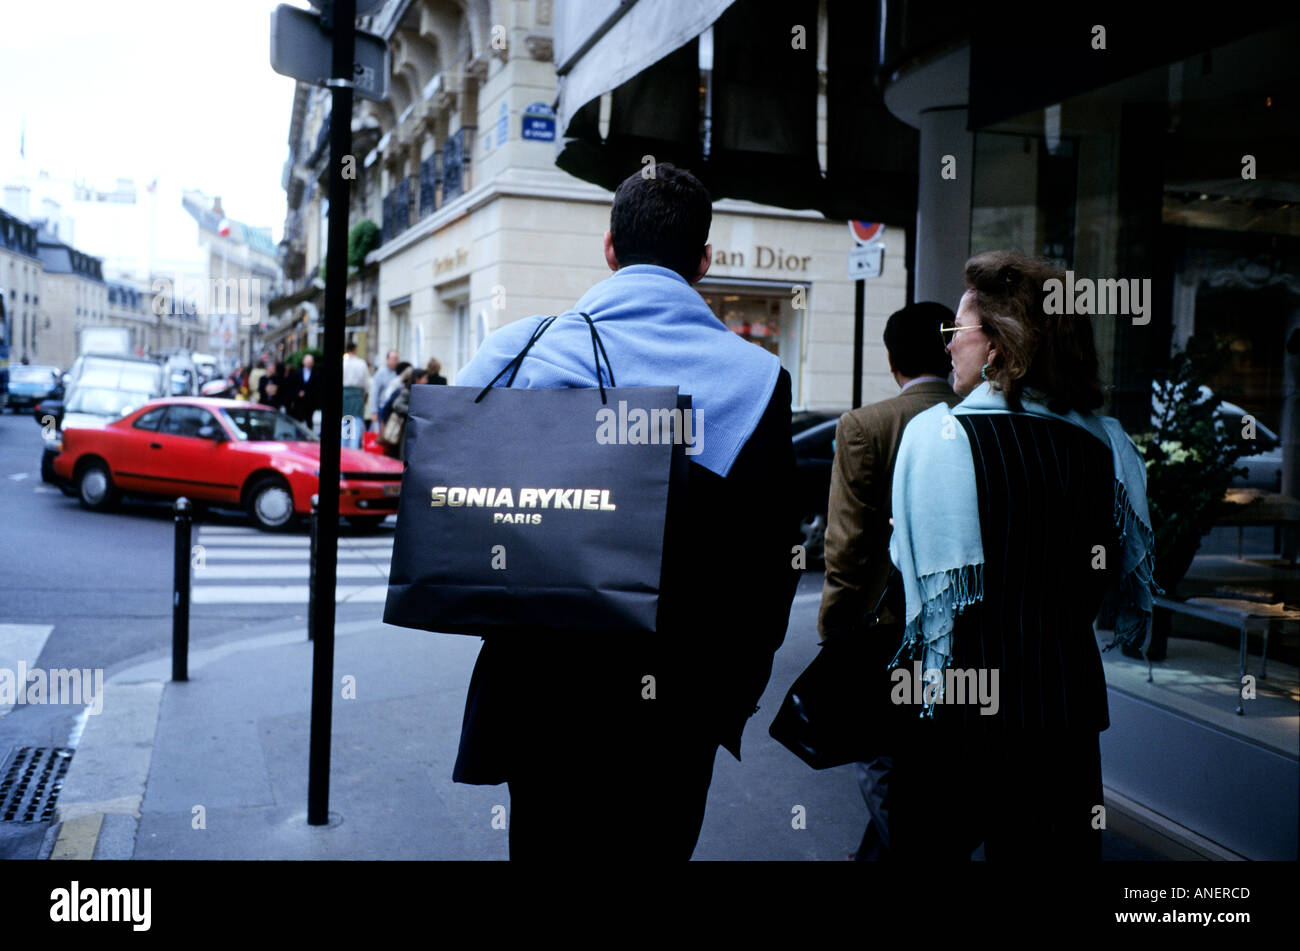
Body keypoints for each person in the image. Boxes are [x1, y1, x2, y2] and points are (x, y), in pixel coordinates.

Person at [451, 163, 801, 860]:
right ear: (703, 262)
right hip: (677, 700)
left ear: (610, 249)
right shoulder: (757, 379)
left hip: (539, 686)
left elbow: (452, 497)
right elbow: (770, 566)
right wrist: (731, 697)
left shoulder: (517, 350)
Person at [885, 250, 1156, 861]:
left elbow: (920, 589)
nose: (948, 345)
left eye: (959, 330)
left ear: (1000, 347)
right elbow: (1106, 577)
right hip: (1064, 715)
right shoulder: (1109, 447)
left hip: (955, 716)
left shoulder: (938, 438)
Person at [817, 300, 958, 861]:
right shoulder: (979, 417)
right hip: (959, 621)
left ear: (893, 361)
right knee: (934, 756)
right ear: (950, 351)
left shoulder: (865, 425)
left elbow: (846, 543)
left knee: (880, 758)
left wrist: (832, 627)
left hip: (884, 625)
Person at [380, 366, 414, 459]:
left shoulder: (402, 389)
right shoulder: (401, 390)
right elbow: (389, 406)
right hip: (394, 423)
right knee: (393, 450)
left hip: (396, 423)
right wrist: (387, 423)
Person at [342, 341, 371, 448]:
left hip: (345, 394)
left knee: (346, 420)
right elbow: (366, 382)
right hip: (358, 395)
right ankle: (353, 448)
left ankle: (344, 447)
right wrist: (366, 395)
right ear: (355, 349)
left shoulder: (343, 363)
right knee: (356, 421)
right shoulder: (361, 363)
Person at [370, 349, 400, 433]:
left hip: (395, 411)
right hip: (382, 410)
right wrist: (374, 412)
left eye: (397, 359)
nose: (396, 361)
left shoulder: (399, 373)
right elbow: (374, 393)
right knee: (382, 435)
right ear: (387, 359)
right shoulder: (380, 373)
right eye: (393, 359)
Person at [287, 354, 320, 426]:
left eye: (310, 362)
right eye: (307, 362)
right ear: (303, 362)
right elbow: (293, 385)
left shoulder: (316, 373)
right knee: (298, 421)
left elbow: (317, 388)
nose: (309, 363)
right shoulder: (297, 373)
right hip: (299, 401)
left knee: (309, 421)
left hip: (310, 402)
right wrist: (298, 393)